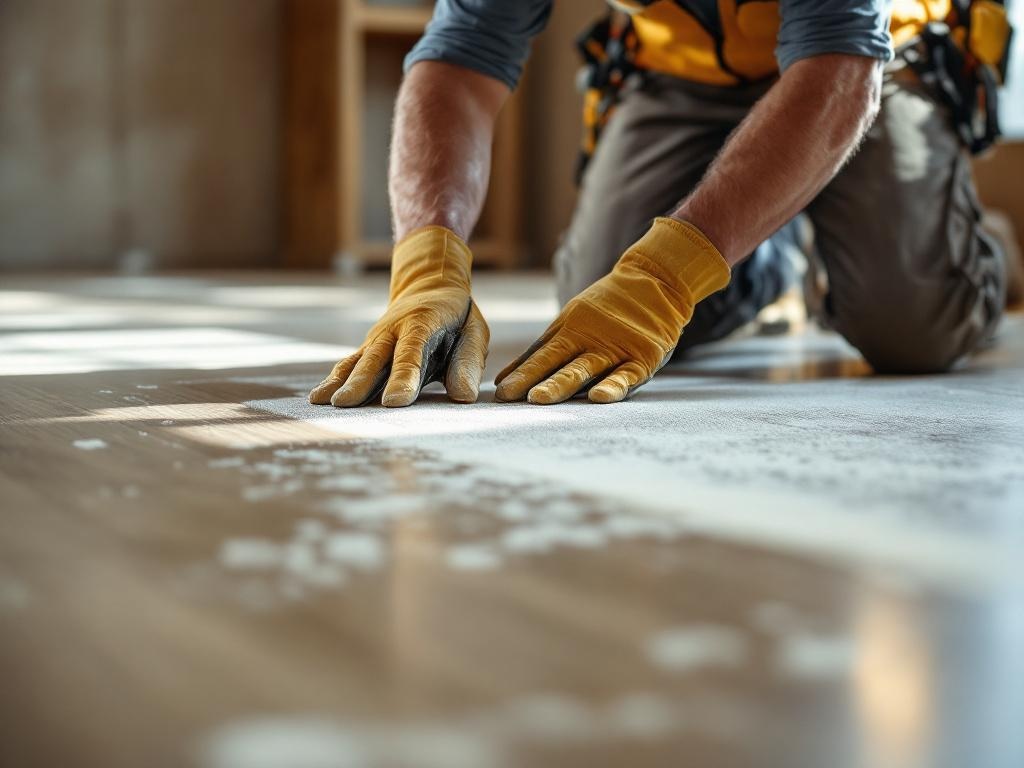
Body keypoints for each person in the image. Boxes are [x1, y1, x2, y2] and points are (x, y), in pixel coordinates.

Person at [309, 0, 1008, 409]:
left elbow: (841, 70)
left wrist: (669, 276)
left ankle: (983, 250)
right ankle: (773, 261)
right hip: (684, 72)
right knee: (599, 300)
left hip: (872, 59)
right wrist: (427, 267)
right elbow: (461, 61)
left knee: (913, 328)